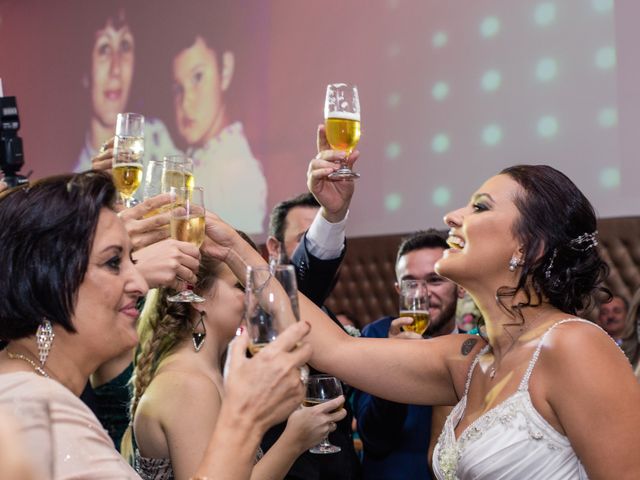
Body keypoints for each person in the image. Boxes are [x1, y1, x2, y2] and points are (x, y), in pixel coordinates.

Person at [202, 164, 640, 479]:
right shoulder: (466, 361)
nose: (453, 215)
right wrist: (234, 252)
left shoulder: (574, 346)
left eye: (480, 207)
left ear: (530, 246)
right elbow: (336, 349)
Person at [0, 172, 311, 479]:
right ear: (48, 281)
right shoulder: (28, 406)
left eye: (131, 260)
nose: (139, 282)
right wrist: (245, 420)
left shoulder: (37, 391)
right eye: (113, 262)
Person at [125, 251, 346, 479]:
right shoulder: (188, 385)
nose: (256, 299)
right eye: (241, 287)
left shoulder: (210, 372)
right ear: (197, 297)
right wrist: (293, 441)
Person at [261, 126, 362, 480]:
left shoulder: (330, 318)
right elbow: (300, 282)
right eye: (302, 237)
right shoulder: (261, 315)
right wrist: (331, 218)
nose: (307, 246)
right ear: (273, 249)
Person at [353, 230, 461, 480]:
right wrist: (395, 362)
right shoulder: (377, 336)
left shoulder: (475, 345)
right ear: (398, 290)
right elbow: (375, 440)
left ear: (461, 288)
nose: (422, 294)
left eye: (435, 280)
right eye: (411, 284)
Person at [152, 4, 267, 234]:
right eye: (178, 88)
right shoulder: (191, 157)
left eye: (198, 77)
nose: (186, 101)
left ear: (225, 70)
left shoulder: (237, 172)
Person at [74, 4, 178, 175]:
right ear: (85, 71)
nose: (116, 69)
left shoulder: (158, 140)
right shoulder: (75, 182)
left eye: (125, 46)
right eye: (104, 49)